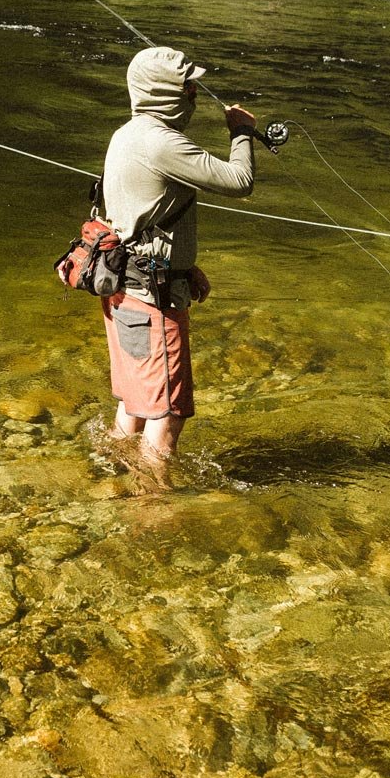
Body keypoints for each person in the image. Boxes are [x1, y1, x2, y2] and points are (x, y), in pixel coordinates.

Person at [99, 45, 256, 483]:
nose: (195, 93)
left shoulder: (126, 134)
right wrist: (241, 132)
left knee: (136, 401)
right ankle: (152, 512)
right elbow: (239, 182)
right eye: (188, 86)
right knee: (168, 415)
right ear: (166, 92)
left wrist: (185, 267)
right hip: (153, 299)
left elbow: (139, 215)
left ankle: (109, 479)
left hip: (124, 291)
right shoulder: (163, 142)